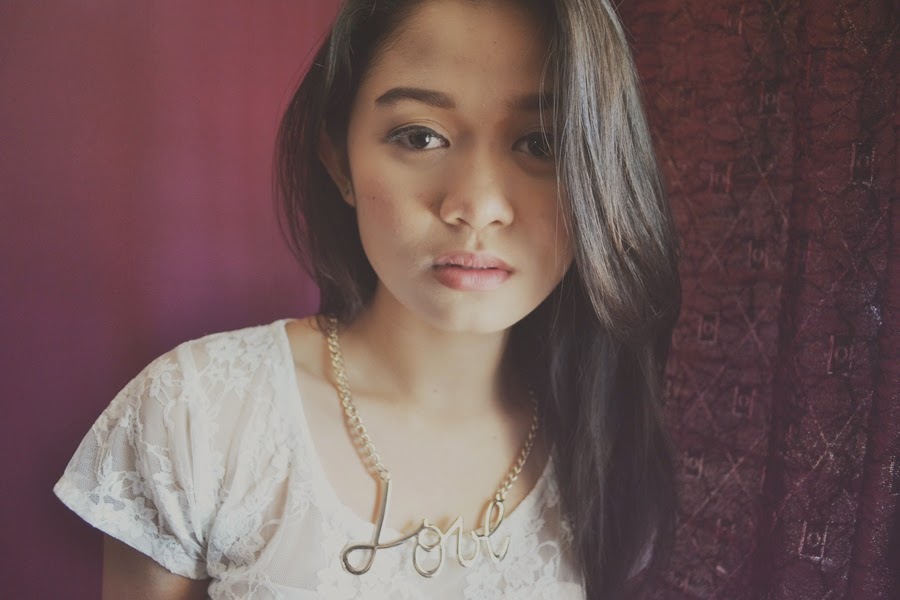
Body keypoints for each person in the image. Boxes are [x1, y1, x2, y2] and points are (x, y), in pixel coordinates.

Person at [54, 0, 681, 598]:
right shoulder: (200, 415)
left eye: (540, 143)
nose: (476, 206)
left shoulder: (605, 444)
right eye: (420, 136)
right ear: (339, 160)